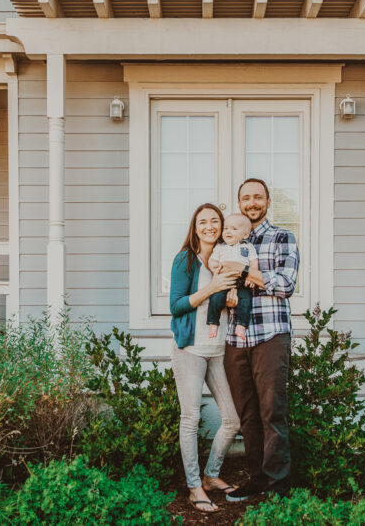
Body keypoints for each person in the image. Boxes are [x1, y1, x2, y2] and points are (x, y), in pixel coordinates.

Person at [222, 178, 300, 501]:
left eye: (257, 197)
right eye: (245, 198)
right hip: (235, 339)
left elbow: (286, 283)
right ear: (239, 203)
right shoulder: (229, 239)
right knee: (248, 415)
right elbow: (217, 279)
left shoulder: (283, 237)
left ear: (268, 201)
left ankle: (277, 487)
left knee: (272, 412)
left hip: (270, 335)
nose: (251, 203)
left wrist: (244, 274)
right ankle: (256, 480)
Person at [168, 203, 243, 513]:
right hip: (190, 350)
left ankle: (212, 476)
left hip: (217, 351)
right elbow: (176, 305)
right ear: (195, 227)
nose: (210, 226)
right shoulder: (186, 259)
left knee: (232, 419)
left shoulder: (228, 258)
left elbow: (228, 302)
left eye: (215, 221)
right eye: (203, 221)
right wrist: (211, 287)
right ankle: (194, 485)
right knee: (191, 418)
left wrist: (230, 298)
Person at [206, 213, 259, 341]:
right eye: (226, 228)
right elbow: (212, 262)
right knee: (215, 299)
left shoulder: (248, 246)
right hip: (224, 280)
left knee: (245, 300)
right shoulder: (220, 248)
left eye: (234, 229)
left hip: (241, 280)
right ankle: (213, 323)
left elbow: (253, 262)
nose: (228, 231)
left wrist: (251, 277)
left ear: (245, 235)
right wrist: (215, 269)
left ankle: (241, 325)